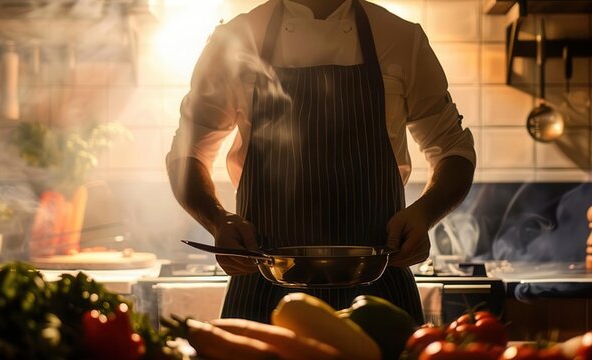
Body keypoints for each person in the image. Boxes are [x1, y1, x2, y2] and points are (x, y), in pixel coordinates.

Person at [166, 0, 475, 323]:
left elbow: (454, 149)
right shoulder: (234, 40)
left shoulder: (401, 39)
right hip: (262, 287)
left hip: (379, 292)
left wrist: (424, 213)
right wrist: (217, 220)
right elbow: (187, 153)